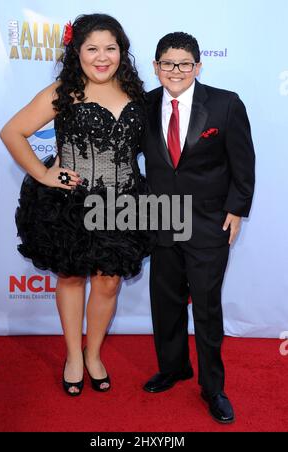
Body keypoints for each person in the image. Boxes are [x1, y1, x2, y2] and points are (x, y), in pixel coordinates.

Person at [0, 14, 154, 397]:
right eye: (92, 49)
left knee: (108, 282)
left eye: (110, 48)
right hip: (73, 202)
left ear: (122, 51)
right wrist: (44, 173)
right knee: (70, 277)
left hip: (123, 204)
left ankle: (94, 353)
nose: (102, 57)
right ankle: (72, 355)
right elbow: (12, 131)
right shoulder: (65, 91)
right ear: (77, 52)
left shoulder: (139, 94)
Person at [142, 32, 255, 423]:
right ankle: (174, 367)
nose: (176, 71)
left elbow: (243, 162)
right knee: (166, 303)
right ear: (156, 67)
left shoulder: (225, 104)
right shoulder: (145, 104)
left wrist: (237, 209)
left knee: (206, 309)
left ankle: (213, 388)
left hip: (209, 224)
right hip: (160, 220)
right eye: (168, 63)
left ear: (198, 66)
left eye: (185, 63)